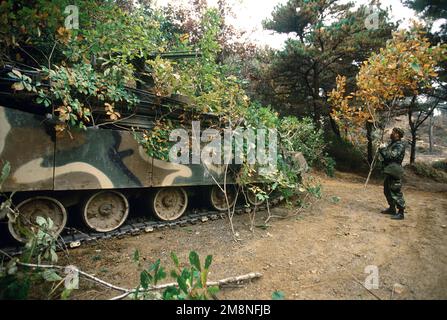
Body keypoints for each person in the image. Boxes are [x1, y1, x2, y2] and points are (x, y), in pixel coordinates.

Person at [378, 127, 406, 220]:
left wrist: (383, 149)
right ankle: (392, 208)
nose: (391, 133)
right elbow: (387, 155)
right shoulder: (393, 144)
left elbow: (391, 156)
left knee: (395, 191)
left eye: (393, 132)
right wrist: (383, 148)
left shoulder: (399, 145)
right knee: (387, 190)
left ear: (398, 134)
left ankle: (401, 212)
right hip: (390, 170)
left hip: (395, 170)